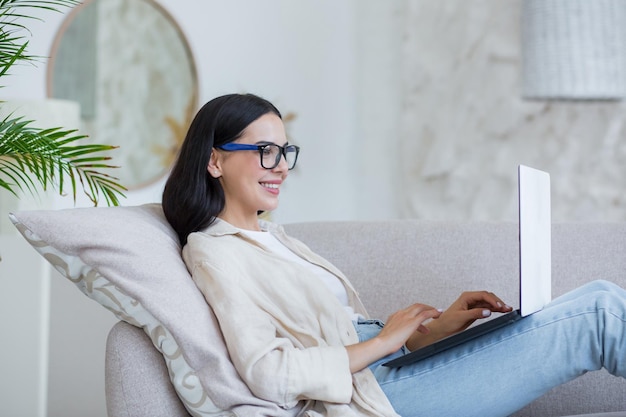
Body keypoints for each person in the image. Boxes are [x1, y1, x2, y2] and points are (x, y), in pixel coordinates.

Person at [162, 93, 626, 417]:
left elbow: (338, 336)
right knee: (598, 314)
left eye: (285, 151)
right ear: (215, 160)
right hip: (371, 398)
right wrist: (385, 341)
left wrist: (427, 335)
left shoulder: (277, 239)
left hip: (387, 372)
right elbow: (268, 371)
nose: (281, 166)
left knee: (596, 296)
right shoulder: (213, 253)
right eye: (264, 151)